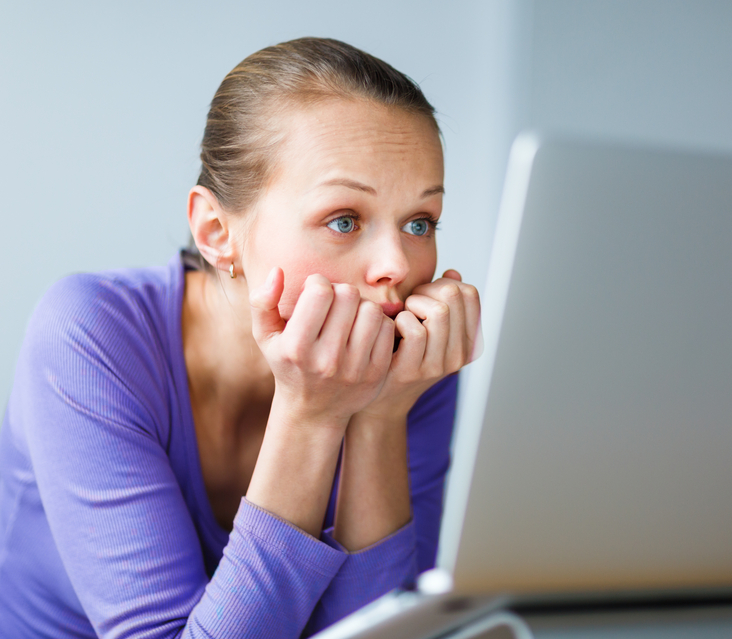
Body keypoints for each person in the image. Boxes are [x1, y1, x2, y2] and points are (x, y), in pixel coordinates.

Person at [0, 37, 480, 638]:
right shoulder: (88, 338)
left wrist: (380, 420)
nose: (397, 266)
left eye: (419, 222)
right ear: (216, 231)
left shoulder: (411, 367)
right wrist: (312, 415)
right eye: (344, 220)